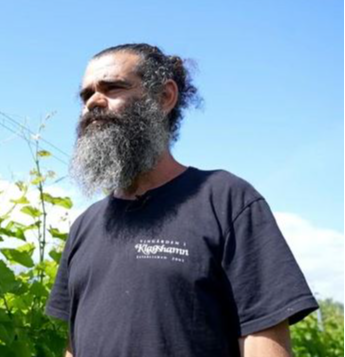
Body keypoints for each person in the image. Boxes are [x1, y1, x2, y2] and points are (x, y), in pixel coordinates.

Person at [45, 43, 319, 357]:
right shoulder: (86, 225)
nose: (93, 101)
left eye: (113, 87)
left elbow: (263, 341)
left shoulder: (225, 199)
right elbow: (73, 347)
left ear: (164, 97)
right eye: (86, 95)